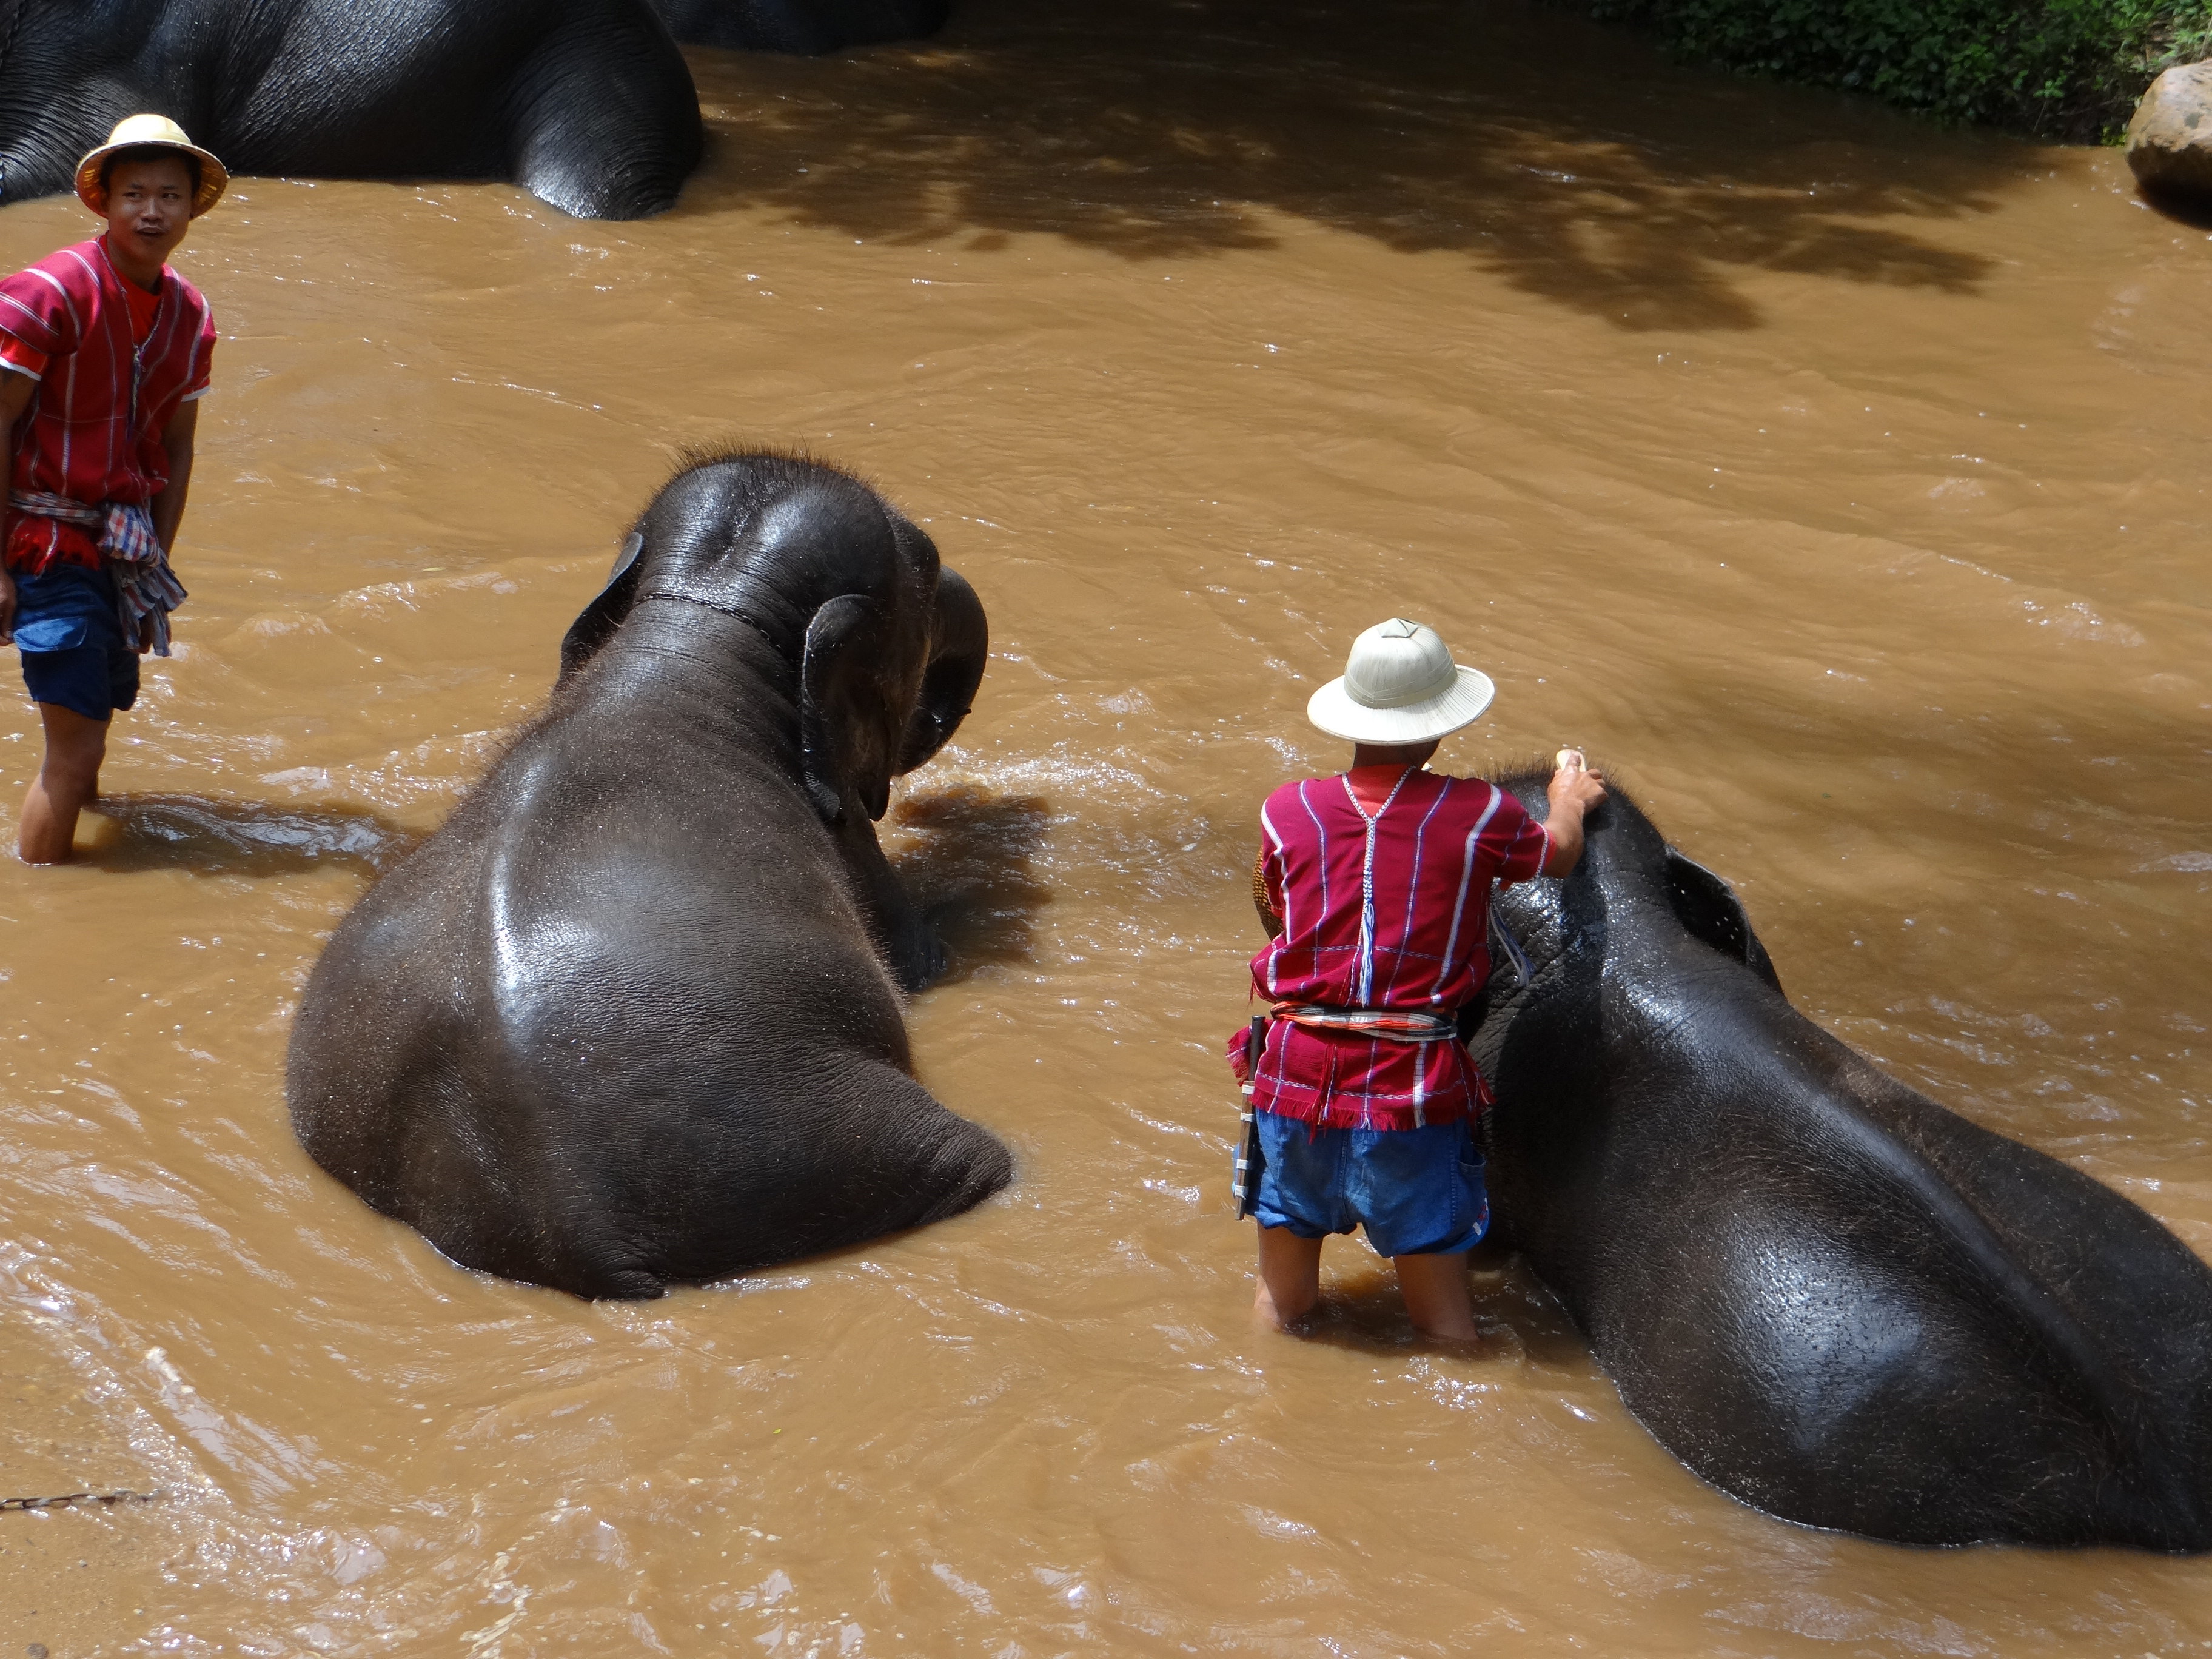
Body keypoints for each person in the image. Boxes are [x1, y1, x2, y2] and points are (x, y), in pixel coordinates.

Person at [1230, 617, 1607, 1340]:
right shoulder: (1476, 813)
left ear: (1352, 716)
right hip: (1411, 1084)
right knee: (1445, 1324)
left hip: (1293, 1072)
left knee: (1281, 1306)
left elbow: (1277, 906)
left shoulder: (1287, 810)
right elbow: (1557, 855)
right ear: (1439, 728)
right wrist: (1569, 796)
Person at [0, 115, 226, 864]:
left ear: (194, 208)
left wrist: (156, 559)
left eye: (170, 195)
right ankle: (48, 905)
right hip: (46, 538)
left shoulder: (189, 316)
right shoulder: (48, 292)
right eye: (135, 195)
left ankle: (77, 874)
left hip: (122, 544)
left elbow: (179, 445)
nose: (153, 212)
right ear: (103, 203)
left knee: (96, 723)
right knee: (72, 749)